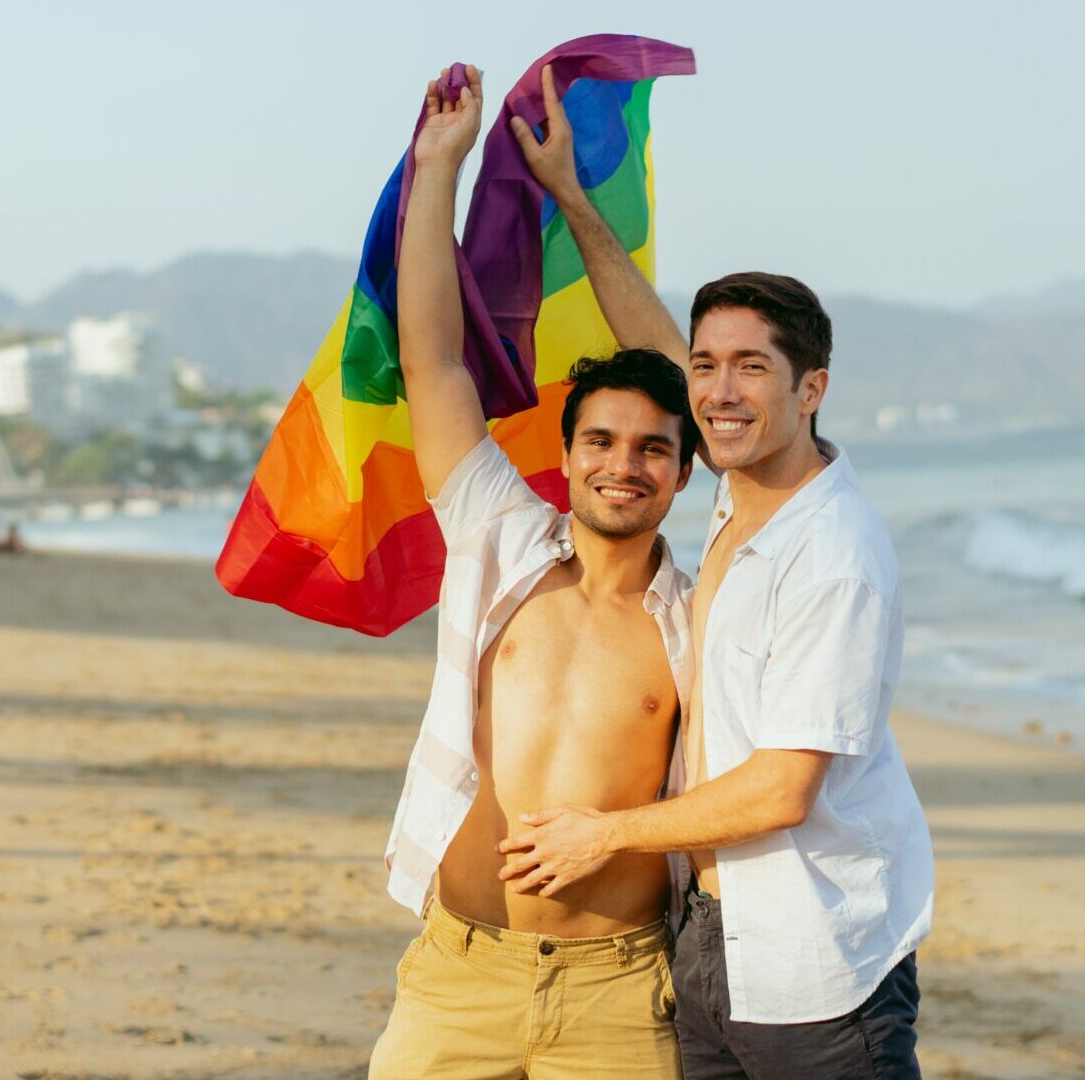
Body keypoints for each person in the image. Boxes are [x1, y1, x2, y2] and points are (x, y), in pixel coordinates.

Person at [497, 267, 935, 1078]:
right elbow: (660, 348)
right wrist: (568, 193)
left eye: (753, 366)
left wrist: (604, 834)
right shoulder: (747, 477)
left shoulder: (831, 557)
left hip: (816, 965)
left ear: (813, 389)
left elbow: (782, 789)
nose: (721, 392)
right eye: (706, 365)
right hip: (709, 939)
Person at [366, 66, 703, 1079]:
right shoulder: (500, 538)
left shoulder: (704, 608)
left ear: (687, 472)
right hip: (459, 973)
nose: (623, 464)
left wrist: (570, 196)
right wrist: (439, 165)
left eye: (653, 448)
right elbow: (437, 363)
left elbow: (691, 389)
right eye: (600, 441)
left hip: (616, 991)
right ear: (568, 456)